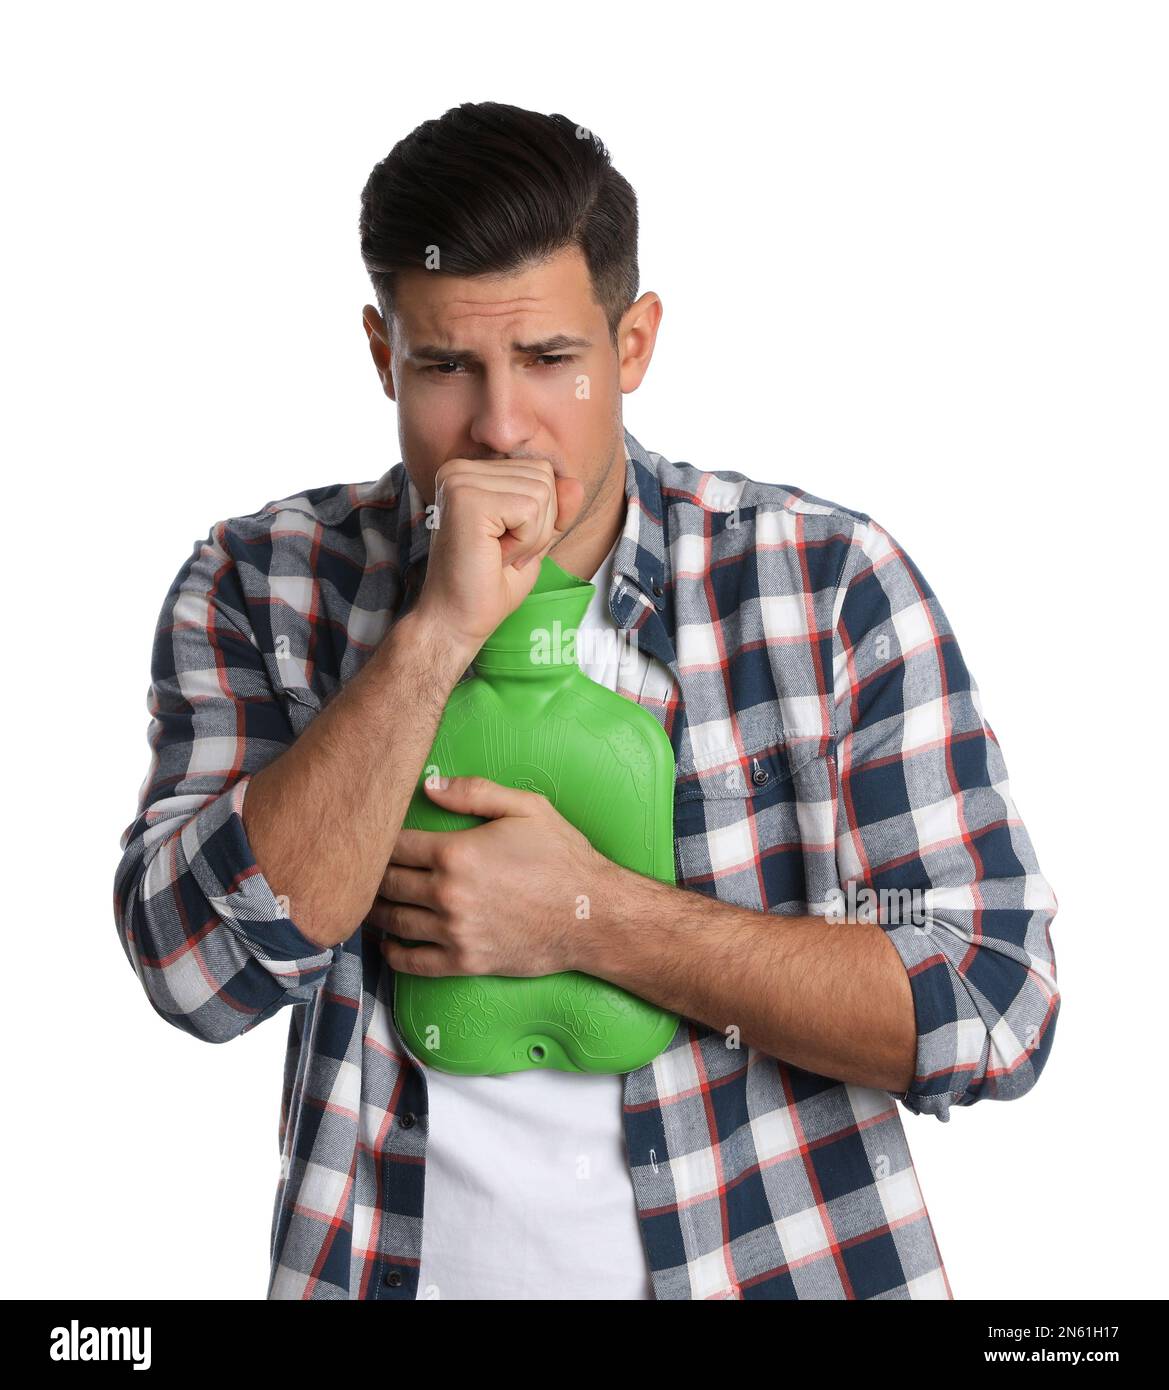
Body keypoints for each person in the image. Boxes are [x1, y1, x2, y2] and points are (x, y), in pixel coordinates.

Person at [113, 101, 1060, 1301]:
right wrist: (433, 636)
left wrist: (586, 918)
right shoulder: (262, 586)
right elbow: (196, 974)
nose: (500, 424)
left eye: (551, 361)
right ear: (378, 352)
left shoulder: (822, 583)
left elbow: (990, 1004)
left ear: (635, 342)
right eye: (445, 364)